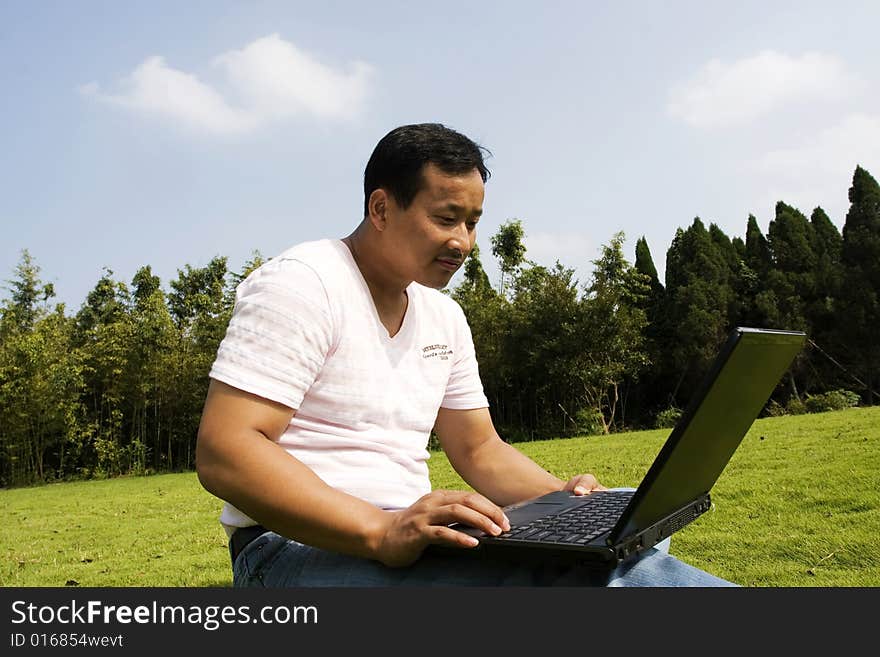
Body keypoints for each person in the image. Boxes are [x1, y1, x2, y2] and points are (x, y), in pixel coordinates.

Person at [195, 123, 735, 587]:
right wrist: (379, 530)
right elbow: (227, 450)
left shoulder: (442, 315)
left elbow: (478, 448)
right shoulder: (304, 284)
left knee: (623, 520)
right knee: (592, 579)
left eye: (473, 222)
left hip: (409, 532)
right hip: (291, 549)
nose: (464, 242)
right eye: (447, 217)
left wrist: (564, 501)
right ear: (381, 208)